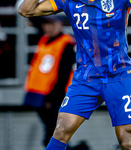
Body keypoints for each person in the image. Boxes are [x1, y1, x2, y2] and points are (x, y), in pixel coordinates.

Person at [18, 0, 131, 149]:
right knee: (61, 131)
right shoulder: (68, 0)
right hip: (86, 79)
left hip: (119, 77)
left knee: (127, 142)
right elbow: (25, 10)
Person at [23, 16, 76, 147]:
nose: (48, 27)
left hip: (54, 97)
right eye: (45, 24)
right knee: (51, 134)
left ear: (60, 24)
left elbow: (63, 74)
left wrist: (52, 98)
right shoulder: (44, 39)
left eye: (51, 23)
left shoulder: (66, 43)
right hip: (38, 95)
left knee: (54, 136)